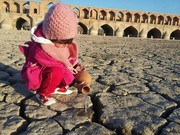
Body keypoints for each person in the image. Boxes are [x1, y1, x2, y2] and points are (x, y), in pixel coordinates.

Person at [19, 2, 84, 106]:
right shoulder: (41, 47)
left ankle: (58, 87)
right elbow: (60, 64)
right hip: (39, 73)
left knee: (64, 69)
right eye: (62, 42)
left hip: (51, 71)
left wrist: (76, 67)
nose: (64, 45)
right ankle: (42, 94)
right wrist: (70, 67)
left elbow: (68, 60)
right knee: (57, 71)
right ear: (51, 36)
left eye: (68, 41)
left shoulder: (65, 42)